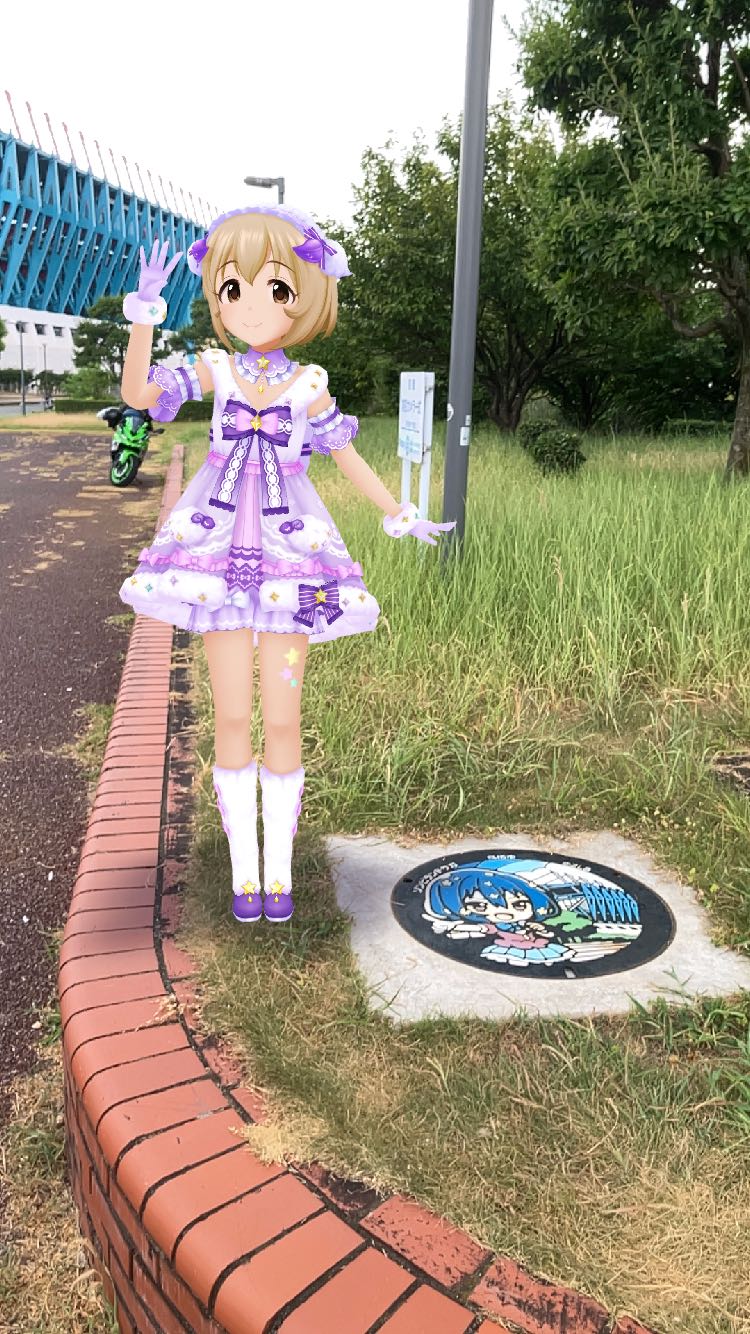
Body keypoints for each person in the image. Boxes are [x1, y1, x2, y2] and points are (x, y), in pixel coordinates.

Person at [118, 207, 454, 925]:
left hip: (293, 561)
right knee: (233, 715)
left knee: (283, 717)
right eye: (231, 288)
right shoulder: (214, 369)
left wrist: (397, 512)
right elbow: (139, 397)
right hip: (214, 557)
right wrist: (143, 315)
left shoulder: (310, 384)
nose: (250, 305)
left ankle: (280, 875)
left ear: (304, 294)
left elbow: (345, 454)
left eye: (274, 287)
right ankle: (245, 875)